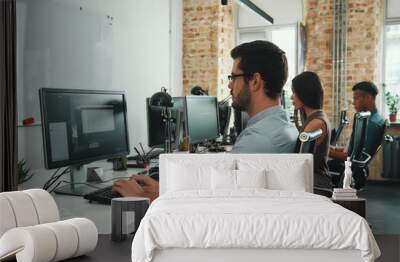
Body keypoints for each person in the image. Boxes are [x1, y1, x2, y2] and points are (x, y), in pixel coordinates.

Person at [112, 40, 298, 200]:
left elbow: (216, 203)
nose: (229, 84)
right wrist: (167, 191)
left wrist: (145, 198)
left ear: (255, 81)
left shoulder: (259, 140)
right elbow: (222, 189)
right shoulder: (281, 127)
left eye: (233, 77)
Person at [328, 81, 386, 188]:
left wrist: (325, 151)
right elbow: (353, 150)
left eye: (356, 98)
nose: (353, 102)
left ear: (368, 98)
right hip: (351, 165)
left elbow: (355, 157)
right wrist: (335, 150)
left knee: (318, 165)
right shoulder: (370, 119)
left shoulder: (371, 123)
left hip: (352, 170)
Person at [291, 71, 332, 192]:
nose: (291, 97)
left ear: (304, 94)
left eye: (294, 92)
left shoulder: (316, 123)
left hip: (317, 182)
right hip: (314, 179)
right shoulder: (316, 117)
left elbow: (298, 161)